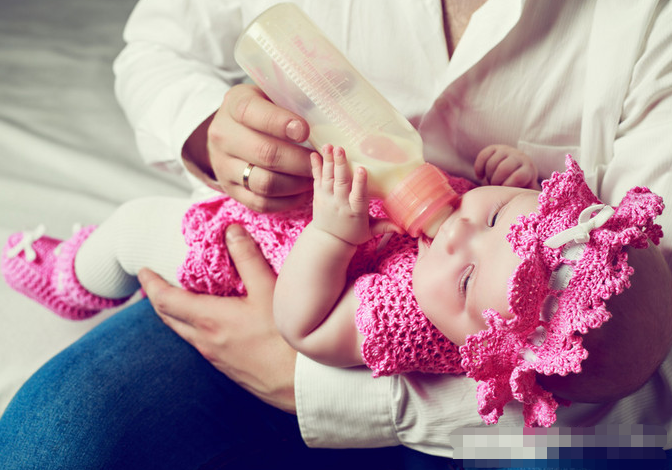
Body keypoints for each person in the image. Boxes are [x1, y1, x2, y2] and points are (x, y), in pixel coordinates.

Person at [1, 1, 672, 469]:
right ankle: (77, 272)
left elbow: (639, 341)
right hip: (262, 264)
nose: (461, 225)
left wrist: (314, 382)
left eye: (468, 274)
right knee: (53, 442)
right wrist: (209, 130)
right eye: (492, 216)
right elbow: (155, 47)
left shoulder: (649, 23)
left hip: (370, 347)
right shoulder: (475, 225)